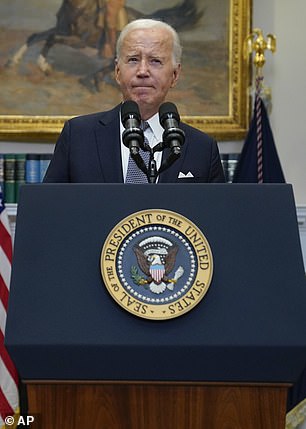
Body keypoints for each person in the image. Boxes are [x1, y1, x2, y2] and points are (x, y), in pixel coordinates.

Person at [43, 18, 225, 183]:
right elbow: (50, 209)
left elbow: (214, 216)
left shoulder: (202, 148)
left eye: (155, 61)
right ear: (117, 72)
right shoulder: (78, 136)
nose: (143, 71)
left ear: (175, 75)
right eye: (133, 60)